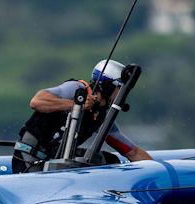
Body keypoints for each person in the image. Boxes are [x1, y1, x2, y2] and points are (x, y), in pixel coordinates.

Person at [12, 59, 152, 173]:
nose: (123, 96)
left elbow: (132, 152)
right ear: (108, 85)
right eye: (120, 89)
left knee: (110, 161)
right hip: (28, 158)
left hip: (55, 158)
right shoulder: (76, 89)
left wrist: (156, 170)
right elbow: (36, 101)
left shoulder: (101, 115)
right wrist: (76, 105)